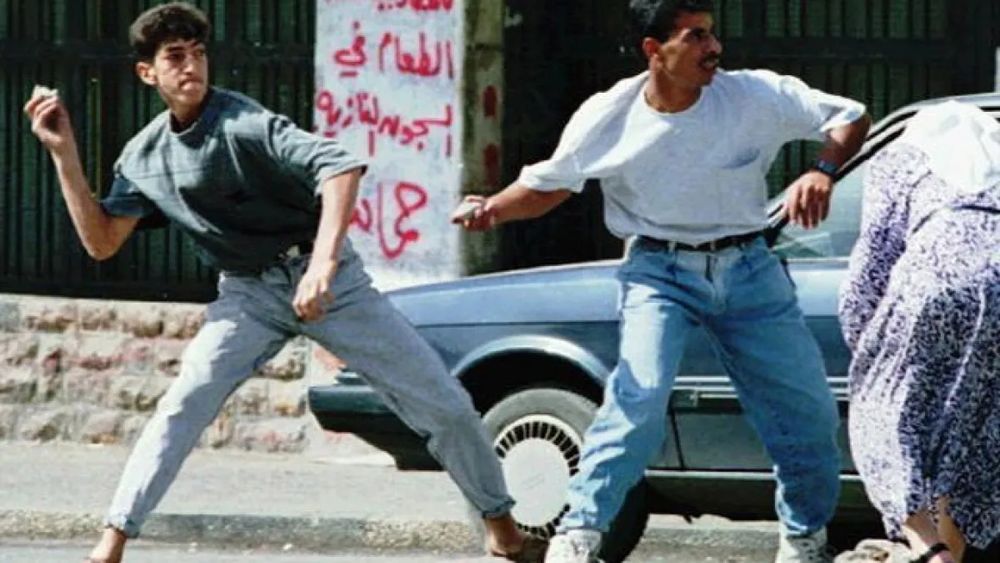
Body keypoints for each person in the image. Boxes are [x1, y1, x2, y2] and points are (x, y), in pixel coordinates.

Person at [23, 3, 539, 562]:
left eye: (198, 53)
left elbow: (340, 167)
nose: (191, 65)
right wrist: (64, 154)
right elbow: (102, 241)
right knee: (181, 407)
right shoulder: (145, 156)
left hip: (329, 281)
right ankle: (112, 542)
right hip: (247, 294)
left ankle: (503, 531)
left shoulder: (241, 121)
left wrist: (322, 264)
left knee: (445, 406)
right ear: (148, 73)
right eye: (175, 56)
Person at [452, 1, 871, 562]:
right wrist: (492, 211)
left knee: (808, 410)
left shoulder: (753, 95)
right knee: (640, 398)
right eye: (696, 38)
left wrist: (822, 171)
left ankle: (803, 540)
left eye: (713, 34)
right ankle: (580, 535)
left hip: (750, 271)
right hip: (659, 272)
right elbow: (553, 184)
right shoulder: (610, 114)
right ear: (655, 51)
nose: (714, 49)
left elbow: (850, 116)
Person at [838, 101, 1000, 563]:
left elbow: (870, 268)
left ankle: (929, 551)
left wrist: (869, 354)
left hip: (939, 279)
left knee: (888, 417)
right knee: (971, 434)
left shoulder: (902, 158)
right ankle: (949, 550)